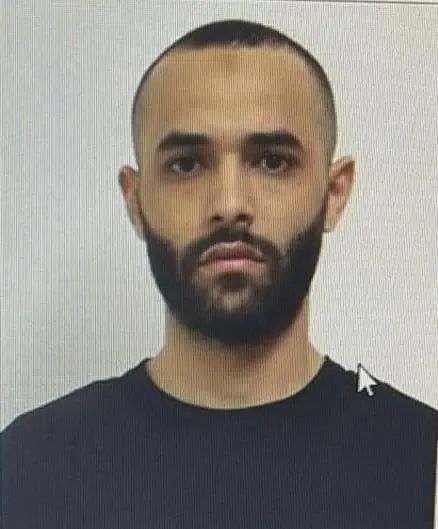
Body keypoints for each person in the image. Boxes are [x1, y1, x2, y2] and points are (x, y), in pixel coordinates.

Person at [1, 19, 437, 529]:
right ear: (136, 201)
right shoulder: (28, 466)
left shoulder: (422, 459)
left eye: (272, 162)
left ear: (334, 194)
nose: (229, 204)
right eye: (187, 165)